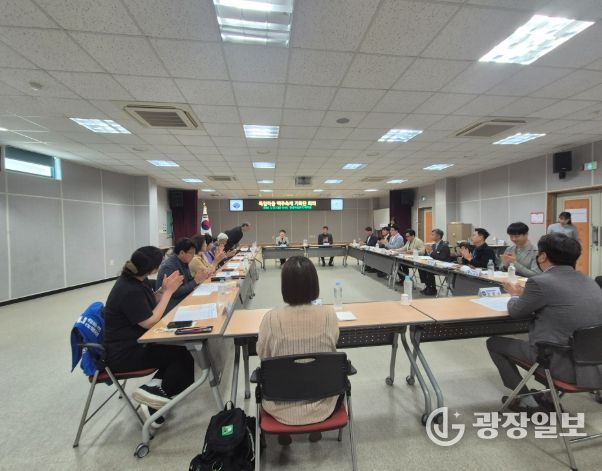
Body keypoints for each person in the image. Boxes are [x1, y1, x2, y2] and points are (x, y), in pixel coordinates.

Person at [487, 233, 602, 413]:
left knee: (494, 343)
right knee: (558, 334)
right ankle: (548, 398)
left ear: (542, 256)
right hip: (594, 363)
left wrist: (515, 295)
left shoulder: (540, 282)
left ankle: (525, 400)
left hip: (559, 363)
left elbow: (516, 311)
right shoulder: (589, 281)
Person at [104, 246, 194, 428]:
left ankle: (153, 389)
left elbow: (150, 300)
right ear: (153, 268)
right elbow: (150, 322)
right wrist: (168, 293)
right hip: (124, 353)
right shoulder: (128, 290)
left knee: (182, 352)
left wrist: (163, 290)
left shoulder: (137, 280)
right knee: (183, 358)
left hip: (137, 343)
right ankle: (153, 403)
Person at [257, 256, 339, 444]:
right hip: (323, 401)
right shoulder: (329, 314)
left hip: (279, 402)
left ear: (284, 286)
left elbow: (263, 355)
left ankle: (284, 433)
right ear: (315, 284)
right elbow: (333, 344)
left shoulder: (271, 318)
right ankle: (316, 427)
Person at [156, 238, 211, 313]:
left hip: (183, 299)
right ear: (182, 253)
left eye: (194, 253)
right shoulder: (169, 266)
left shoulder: (183, 262)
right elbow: (174, 292)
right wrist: (195, 281)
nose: (193, 256)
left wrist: (199, 277)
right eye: (191, 253)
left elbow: (188, 281)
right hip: (171, 305)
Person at [419, 228, 450, 296]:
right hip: (433, 265)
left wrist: (431, 252)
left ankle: (433, 289)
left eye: (433, 235)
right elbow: (428, 256)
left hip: (442, 267)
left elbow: (441, 258)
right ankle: (428, 286)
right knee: (421, 267)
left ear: (438, 236)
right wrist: (427, 253)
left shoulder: (444, 246)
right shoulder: (433, 245)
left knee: (428, 270)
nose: (431, 236)